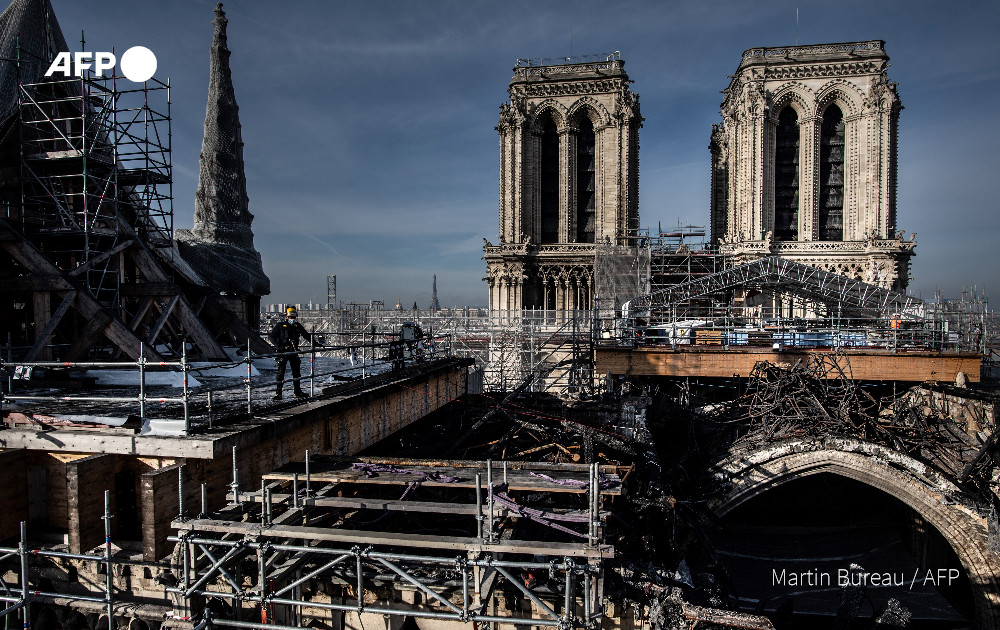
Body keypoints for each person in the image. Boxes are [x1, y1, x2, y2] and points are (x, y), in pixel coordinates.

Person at [268, 306, 311, 400]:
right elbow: (272, 337)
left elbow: (306, 335)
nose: (292, 319)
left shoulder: (297, 326)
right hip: (282, 351)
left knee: (296, 372)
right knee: (280, 373)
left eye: (293, 317)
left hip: (293, 351)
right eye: (290, 317)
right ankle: (278, 394)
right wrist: (278, 346)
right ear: (286, 317)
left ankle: (297, 392)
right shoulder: (280, 326)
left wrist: (315, 343)